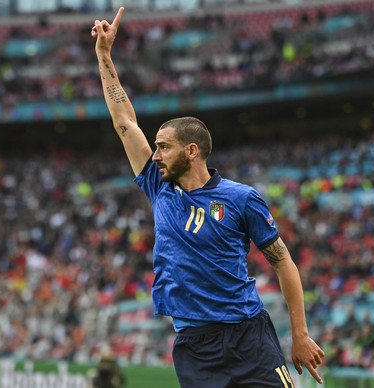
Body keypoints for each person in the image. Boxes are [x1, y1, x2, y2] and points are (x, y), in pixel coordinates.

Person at [92, 8, 324, 387]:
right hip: (194, 346)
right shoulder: (158, 187)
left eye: (164, 147)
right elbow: (124, 123)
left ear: (192, 151)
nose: (155, 155)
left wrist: (299, 334)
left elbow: (284, 263)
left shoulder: (242, 198)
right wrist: (104, 57)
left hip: (249, 337)